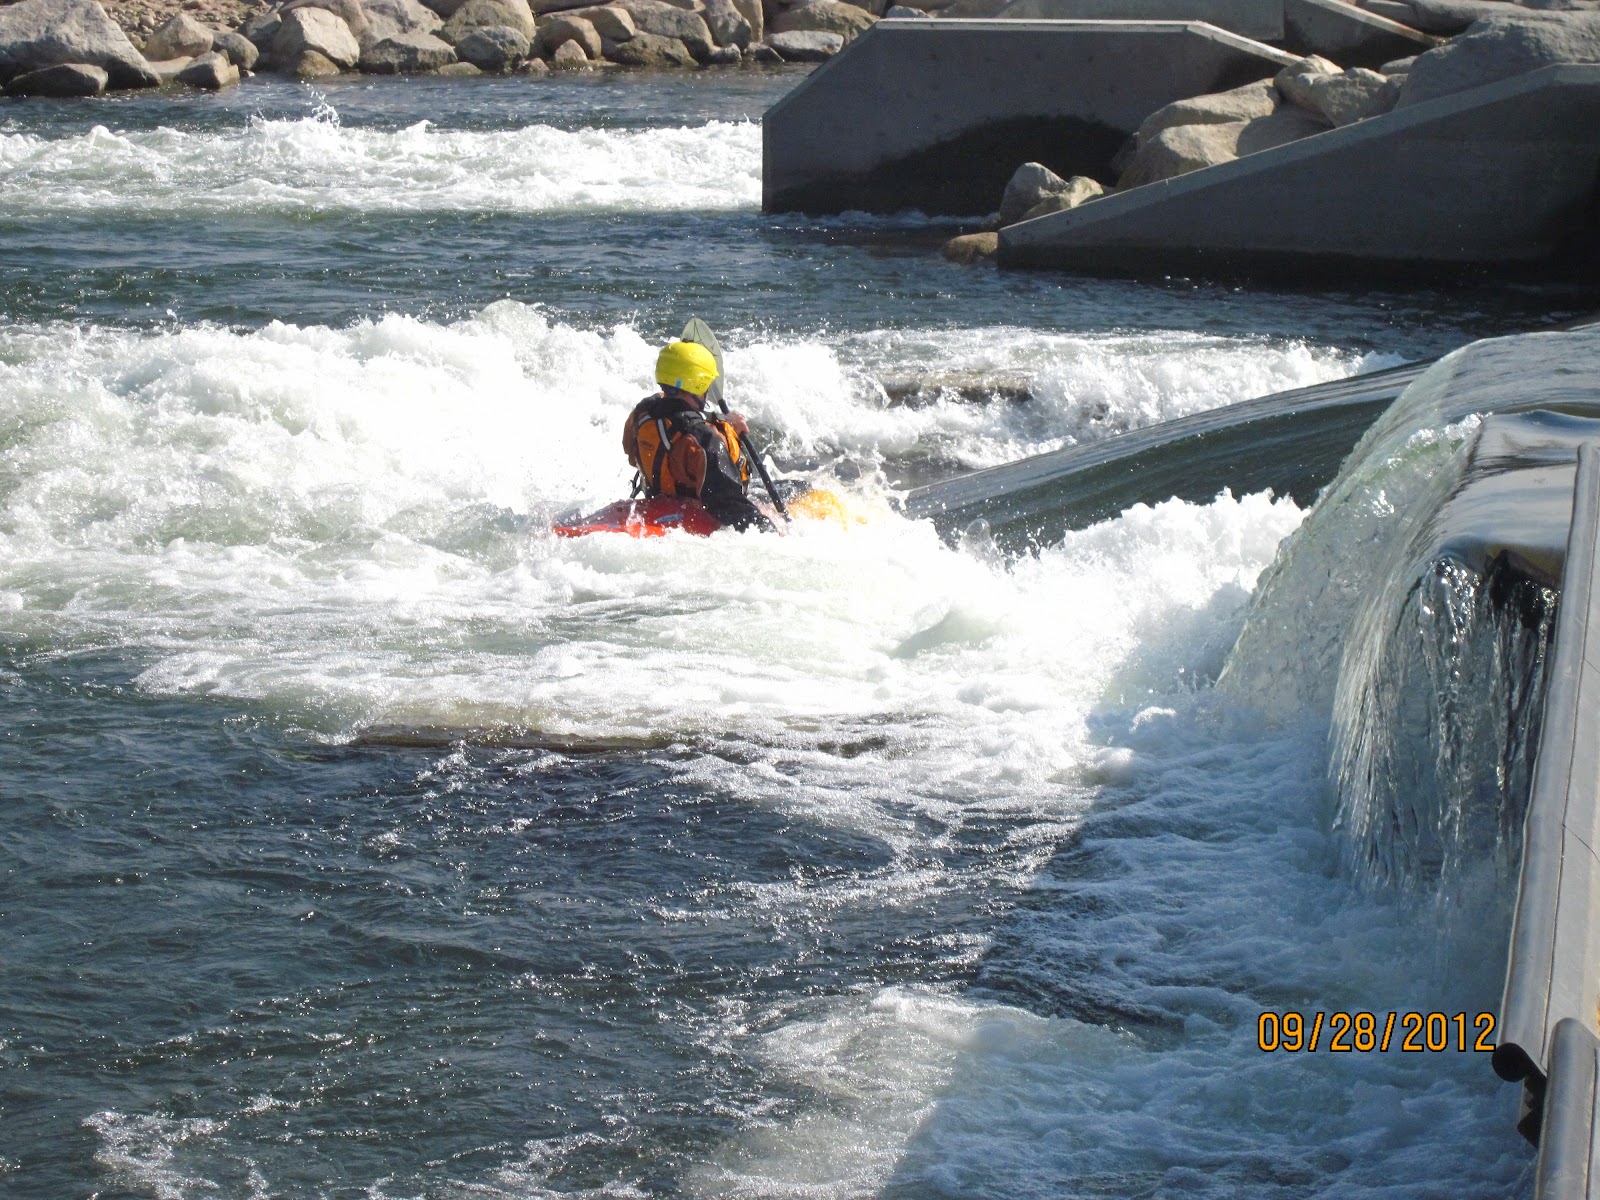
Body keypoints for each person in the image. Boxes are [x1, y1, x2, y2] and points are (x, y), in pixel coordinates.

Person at [623, 340, 773, 532]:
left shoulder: (642, 413)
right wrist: (768, 529)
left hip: (658, 502)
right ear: (699, 382)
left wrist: (724, 421)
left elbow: (675, 416)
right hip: (700, 511)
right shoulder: (703, 440)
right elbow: (728, 503)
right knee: (799, 488)